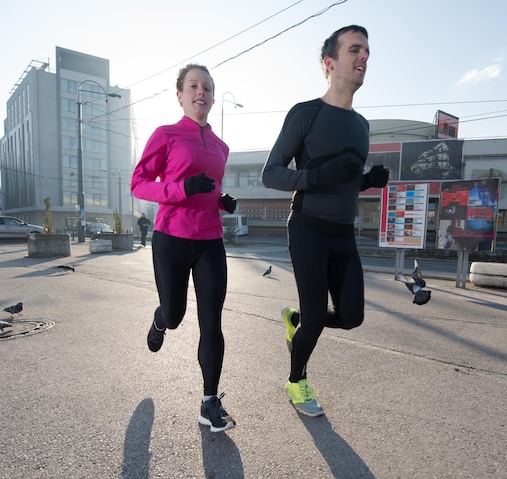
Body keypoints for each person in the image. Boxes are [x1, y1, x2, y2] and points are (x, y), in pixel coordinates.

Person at [261, 25, 389, 417]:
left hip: (342, 233)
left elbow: (344, 179)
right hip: (308, 227)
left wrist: (366, 181)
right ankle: (296, 379)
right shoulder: (306, 114)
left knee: (351, 317)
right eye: (355, 49)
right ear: (329, 63)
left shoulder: (362, 125)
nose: (364, 56)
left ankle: (295, 320)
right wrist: (315, 178)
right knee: (318, 316)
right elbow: (272, 174)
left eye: (367, 50)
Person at [131, 64, 238, 432]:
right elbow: (139, 184)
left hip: (210, 242)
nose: (201, 92)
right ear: (180, 95)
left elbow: (209, 188)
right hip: (171, 239)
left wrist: (223, 200)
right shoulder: (167, 135)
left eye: (207, 87)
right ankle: (160, 320)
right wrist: (180, 190)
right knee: (176, 316)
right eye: (193, 86)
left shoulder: (222, 146)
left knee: (212, 322)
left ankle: (210, 402)